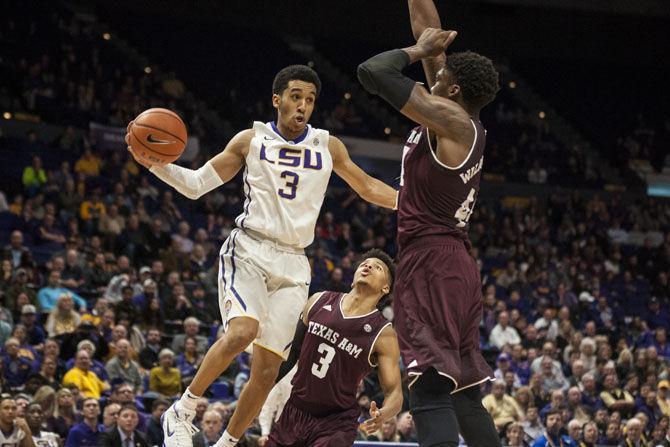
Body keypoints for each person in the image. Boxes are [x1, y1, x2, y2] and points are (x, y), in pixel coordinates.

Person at [127, 64, 397, 447]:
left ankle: (228, 442)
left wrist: (411, 203)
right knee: (242, 331)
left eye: (310, 99)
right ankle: (182, 411)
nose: (303, 106)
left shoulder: (327, 145)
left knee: (268, 369)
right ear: (277, 100)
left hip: (294, 261)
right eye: (295, 97)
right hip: (250, 248)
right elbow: (197, 184)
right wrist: (155, 163)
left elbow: (368, 186)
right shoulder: (250, 139)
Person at [357, 0, 500, 445]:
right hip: (455, 265)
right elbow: (430, 30)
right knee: (465, 398)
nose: (433, 77)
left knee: (429, 393)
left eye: (441, 78)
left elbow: (374, 72)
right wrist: (428, 42)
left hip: (431, 265)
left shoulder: (451, 122)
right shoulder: (455, 116)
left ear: (453, 92)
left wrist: (416, 52)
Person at [264, 249, 402, 446]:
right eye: (364, 264)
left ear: (386, 288)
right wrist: (261, 389)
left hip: (336, 421)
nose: (368, 266)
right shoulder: (317, 300)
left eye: (377, 267)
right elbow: (291, 355)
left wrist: (383, 414)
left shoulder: (384, 334)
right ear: (353, 277)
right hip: (295, 409)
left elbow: (394, 392)